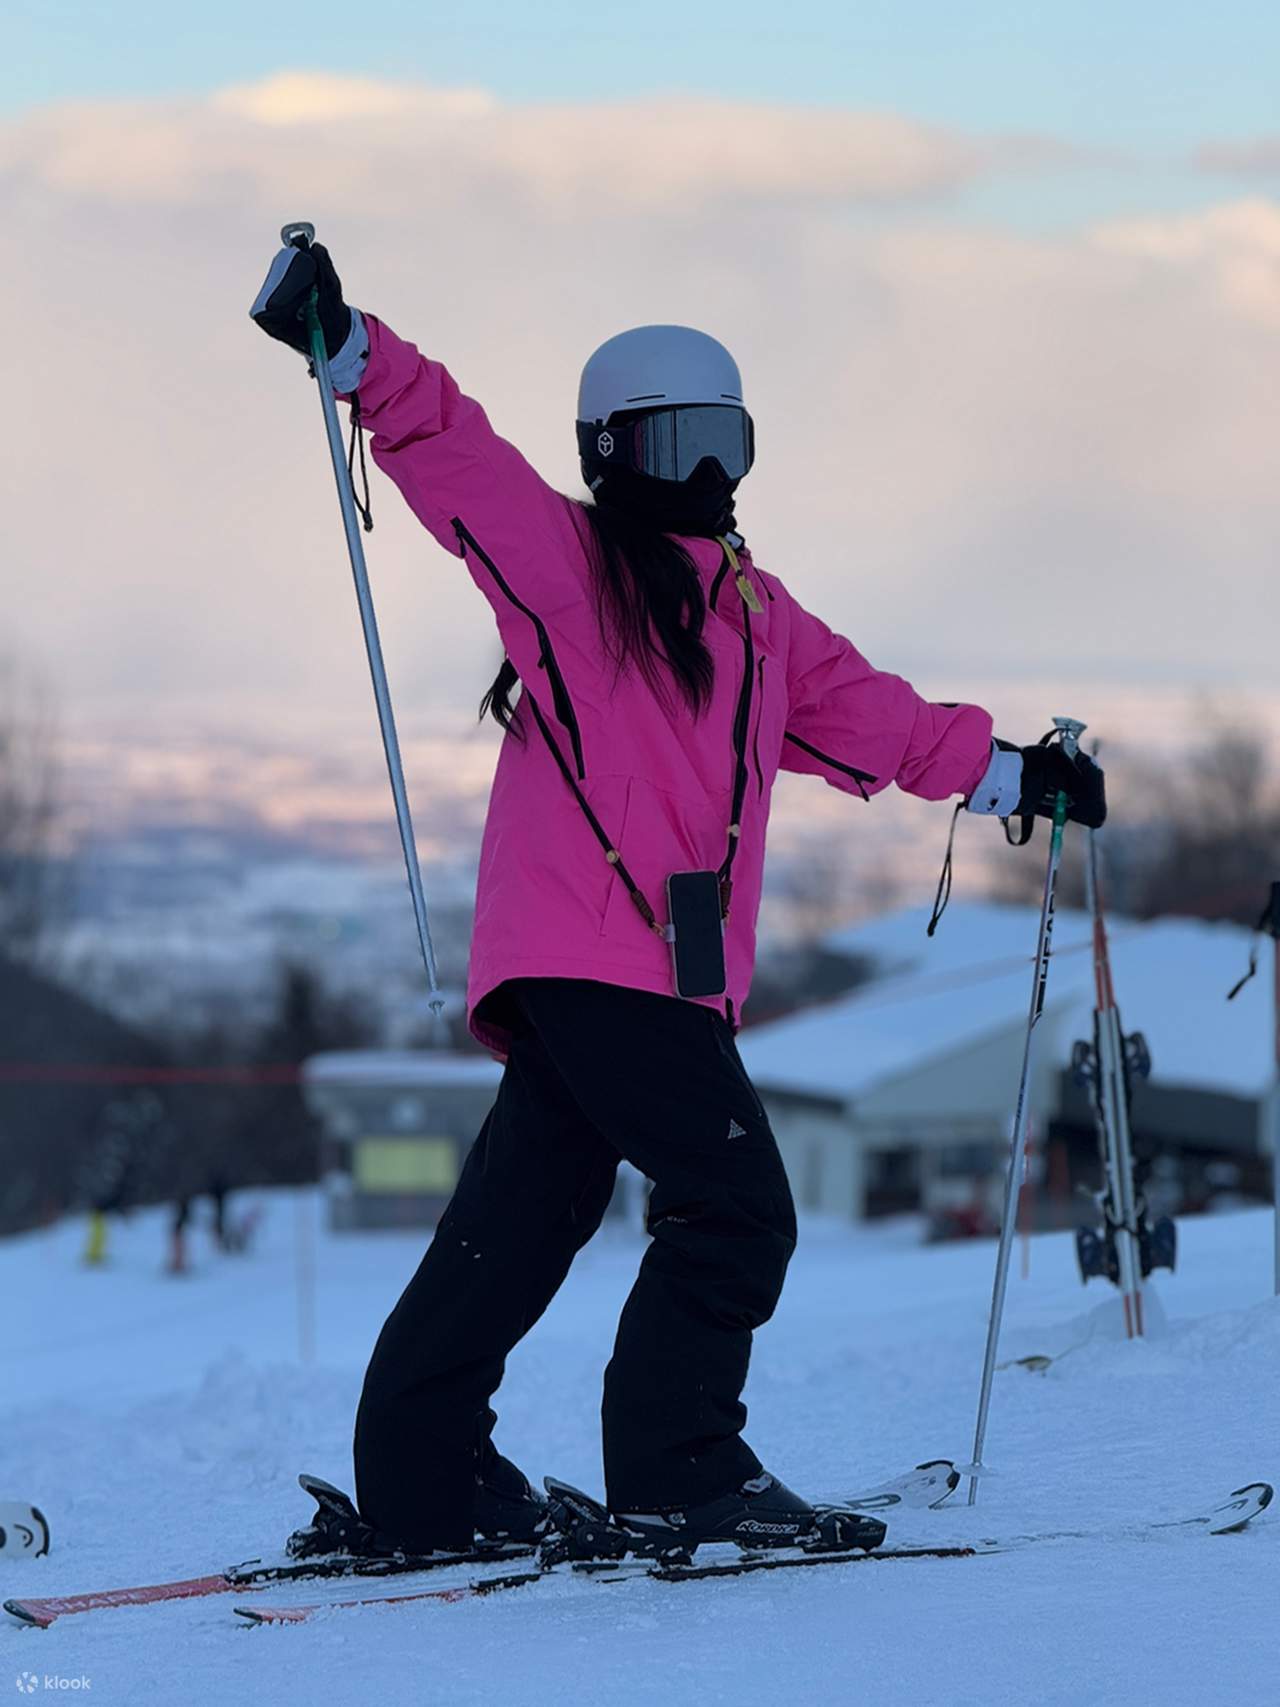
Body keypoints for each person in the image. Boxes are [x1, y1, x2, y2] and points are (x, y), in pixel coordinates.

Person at [251, 242, 1105, 1560]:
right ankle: (681, 1472)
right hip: (604, 965)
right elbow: (452, 450)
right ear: (607, 457)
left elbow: (878, 723)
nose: (702, 479)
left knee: (526, 1223)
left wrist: (1016, 778)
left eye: (724, 444)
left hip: (624, 978)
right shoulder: (572, 576)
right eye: (671, 448)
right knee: (739, 1201)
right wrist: (349, 345)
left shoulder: (758, 618)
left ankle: (424, 1483)